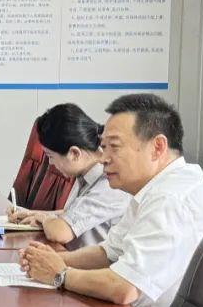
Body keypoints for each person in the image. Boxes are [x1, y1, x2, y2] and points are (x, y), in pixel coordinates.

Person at [20, 94, 203, 307]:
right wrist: (52, 260)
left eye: (114, 147)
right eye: (103, 147)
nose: (104, 158)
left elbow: (124, 287)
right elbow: (108, 253)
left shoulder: (170, 200)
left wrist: (60, 273)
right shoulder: (151, 190)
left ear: (157, 147)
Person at [9, 103, 129, 248]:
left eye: (50, 156)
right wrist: (30, 214)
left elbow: (60, 232)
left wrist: (43, 219)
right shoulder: (85, 172)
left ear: (74, 153)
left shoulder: (109, 183)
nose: (50, 163)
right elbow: (72, 213)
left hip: (88, 261)